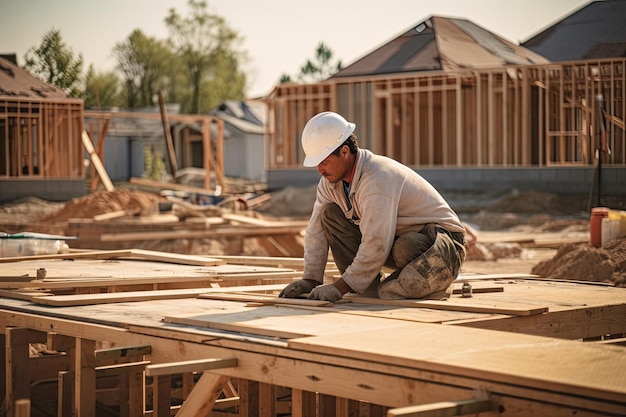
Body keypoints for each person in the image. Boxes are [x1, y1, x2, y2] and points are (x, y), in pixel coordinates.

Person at [279, 111, 467, 302]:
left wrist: (340, 287)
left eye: (324, 162)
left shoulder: (377, 178)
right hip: (395, 241)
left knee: (401, 259)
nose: (320, 171)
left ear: (344, 152)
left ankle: (434, 283)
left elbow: (377, 241)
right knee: (329, 214)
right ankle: (366, 286)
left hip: (443, 245)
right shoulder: (329, 184)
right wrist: (310, 279)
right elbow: (315, 231)